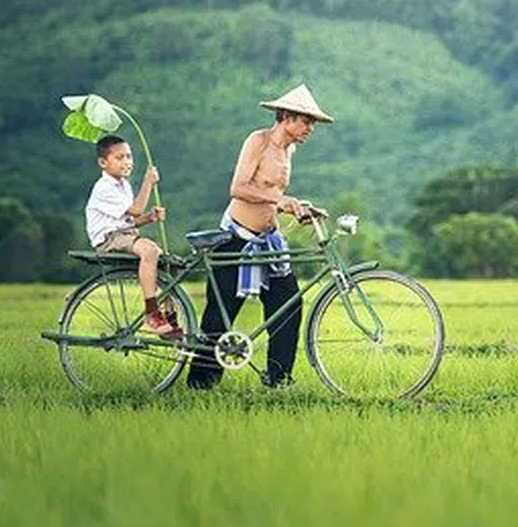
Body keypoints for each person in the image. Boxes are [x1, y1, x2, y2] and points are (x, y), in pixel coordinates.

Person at [187, 84, 334, 390]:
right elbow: (238, 188)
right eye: (307, 121)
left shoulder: (288, 150)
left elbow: (273, 193)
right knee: (220, 315)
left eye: (312, 123)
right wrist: (280, 201)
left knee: (289, 305)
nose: (310, 128)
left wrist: (298, 207)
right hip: (236, 238)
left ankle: (278, 380)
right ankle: (200, 386)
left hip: (269, 240)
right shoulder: (259, 141)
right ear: (288, 118)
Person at [84, 134, 179, 338]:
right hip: (109, 239)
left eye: (129, 156)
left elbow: (131, 219)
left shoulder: (123, 185)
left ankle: (171, 316)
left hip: (124, 234)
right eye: (120, 158)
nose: (127, 162)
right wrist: (148, 183)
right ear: (103, 162)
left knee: (171, 264)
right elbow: (135, 210)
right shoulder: (104, 187)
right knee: (150, 250)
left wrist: (150, 217)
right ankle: (151, 313)